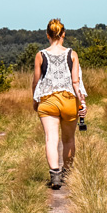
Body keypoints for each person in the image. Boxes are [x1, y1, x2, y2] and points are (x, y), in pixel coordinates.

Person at [31, 18, 87, 189]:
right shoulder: (72, 54)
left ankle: (55, 175)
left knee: (51, 139)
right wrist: (82, 103)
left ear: (48, 35)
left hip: (47, 101)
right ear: (64, 34)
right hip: (69, 99)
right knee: (69, 139)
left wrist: (35, 99)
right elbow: (76, 82)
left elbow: (36, 81)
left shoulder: (40, 55)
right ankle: (67, 173)